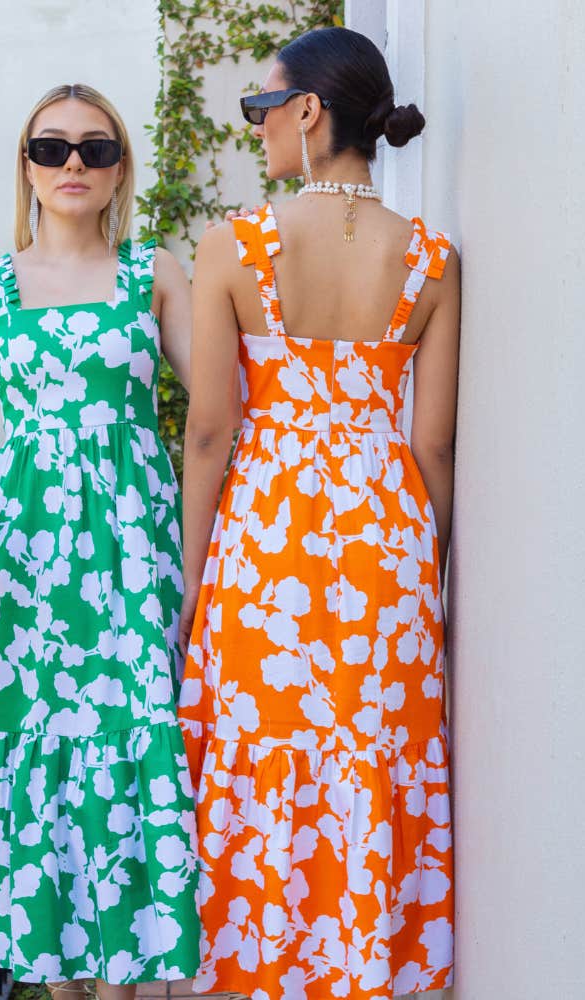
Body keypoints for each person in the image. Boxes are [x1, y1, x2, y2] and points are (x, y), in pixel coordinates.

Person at [177, 27, 460, 1000]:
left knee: (269, 764)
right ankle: (359, 970)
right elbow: (433, 446)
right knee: (367, 760)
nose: (256, 128)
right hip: (385, 542)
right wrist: (433, 570)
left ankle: (261, 971)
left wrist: (189, 584)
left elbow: (209, 433)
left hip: (268, 542)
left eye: (261, 108)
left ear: (308, 112)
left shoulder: (235, 243)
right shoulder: (428, 256)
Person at [0, 83, 200, 1000]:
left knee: (126, 744)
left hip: (134, 547)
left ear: (120, 166)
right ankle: (60, 985)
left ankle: (122, 983)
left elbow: (220, 417)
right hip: (25, 560)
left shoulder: (152, 274)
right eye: (51, 149)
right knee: (38, 749)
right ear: (28, 167)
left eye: (94, 147)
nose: (72, 164)